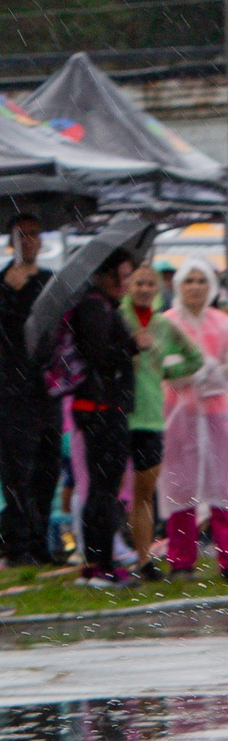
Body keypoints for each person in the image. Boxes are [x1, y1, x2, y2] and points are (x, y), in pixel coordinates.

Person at [159, 259, 228, 582]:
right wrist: (199, 372)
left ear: (210, 286)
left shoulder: (223, 323)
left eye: (201, 281)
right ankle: (181, 560)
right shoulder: (166, 322)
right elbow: (164, 364)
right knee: (179, 485)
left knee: (222, 485)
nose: (195, 287)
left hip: (217, 414)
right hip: (178, 415)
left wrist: (205, 375)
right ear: (178, 286)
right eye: (189, 281)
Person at [63, 251, 143, 587]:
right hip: (100, 408)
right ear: (103, 276)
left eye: (127, 275)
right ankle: (103, 565)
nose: (125, 283)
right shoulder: (94, 306)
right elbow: (98, 355)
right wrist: (133, 345)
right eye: (119, 276)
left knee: (104, 487)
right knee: (104, 488)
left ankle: (98, 563)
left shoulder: (103, 305)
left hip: (103, 406)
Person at [122, 258, 203, 582]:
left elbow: (194, 358)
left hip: (151, 416)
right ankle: (108, 557)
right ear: (129, 286)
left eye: (150, 284)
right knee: (111, 491)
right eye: (138, 283)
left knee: (145, 491)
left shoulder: (164, 325)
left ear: (158, 290)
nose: (144, 289)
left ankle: (144, 560)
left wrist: (166, 373)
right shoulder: (118, 318)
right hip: (117, 414)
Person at [0, 214, 61, 566]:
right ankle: (18, 547)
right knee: (17, 473)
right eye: (22, 235)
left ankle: (40, 543)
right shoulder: (3, 281)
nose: (29, 241)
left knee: (47, 471)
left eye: (35, 234)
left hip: (46, 391)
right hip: (12, 394)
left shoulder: (51, 281)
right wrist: (9, 290)